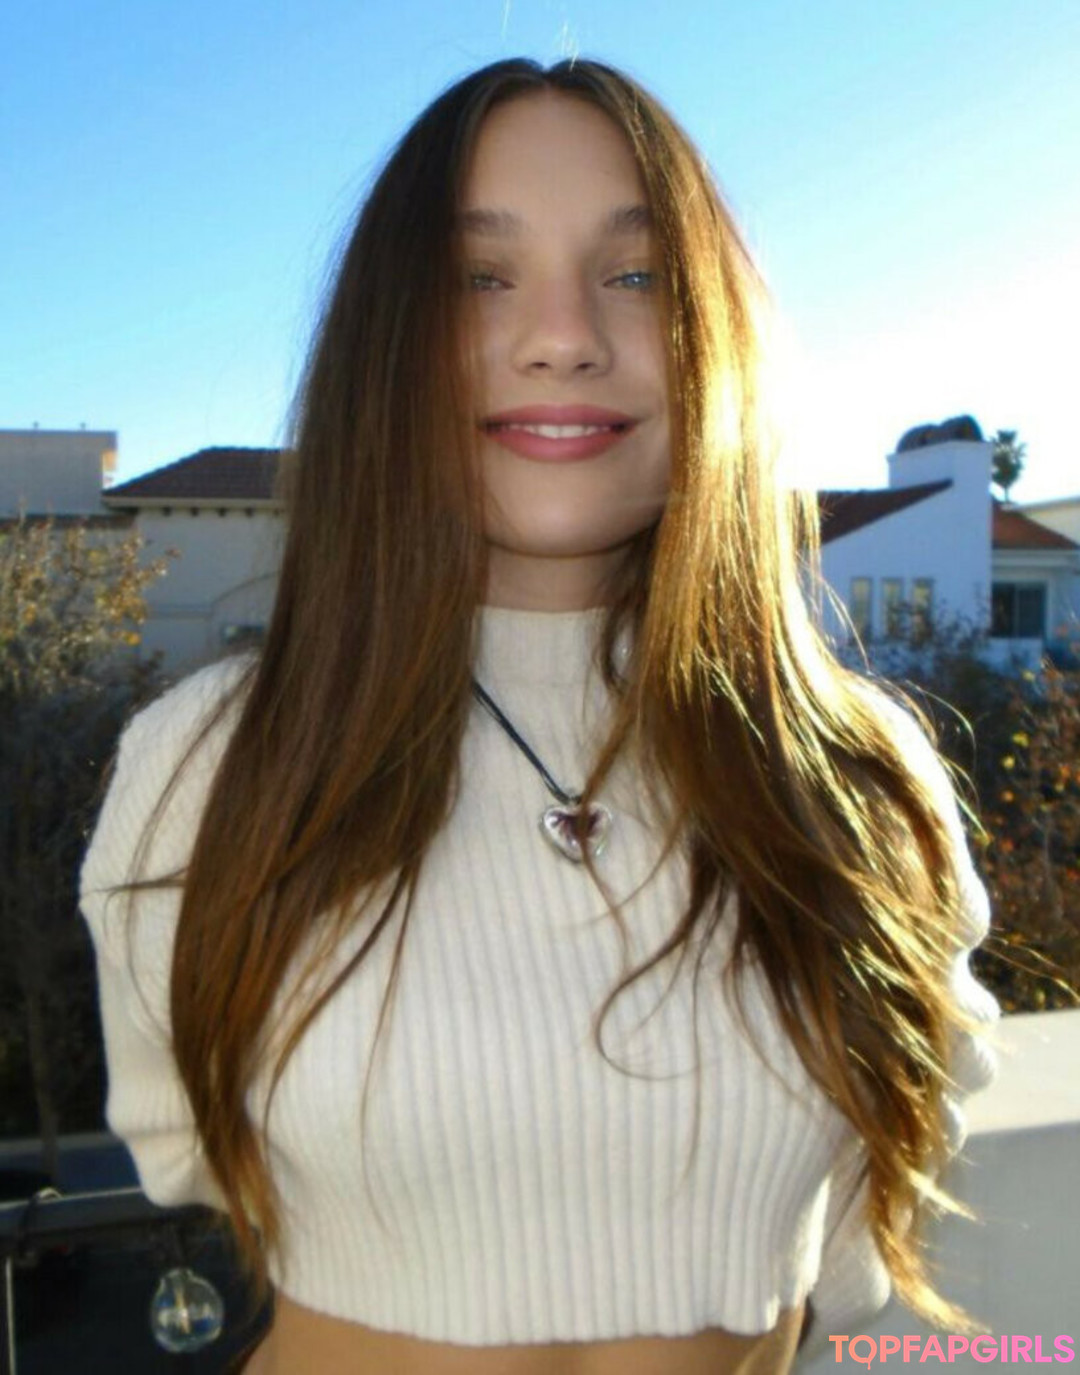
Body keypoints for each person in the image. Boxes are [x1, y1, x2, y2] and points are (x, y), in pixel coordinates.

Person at [79, 58, 1002, 1375]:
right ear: (383, 351)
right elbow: (183, 1143)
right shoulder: (209, 763)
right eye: (479, 278)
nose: (563, 336)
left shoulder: (858, 774)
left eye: (637, 276)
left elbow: (907, 1142)